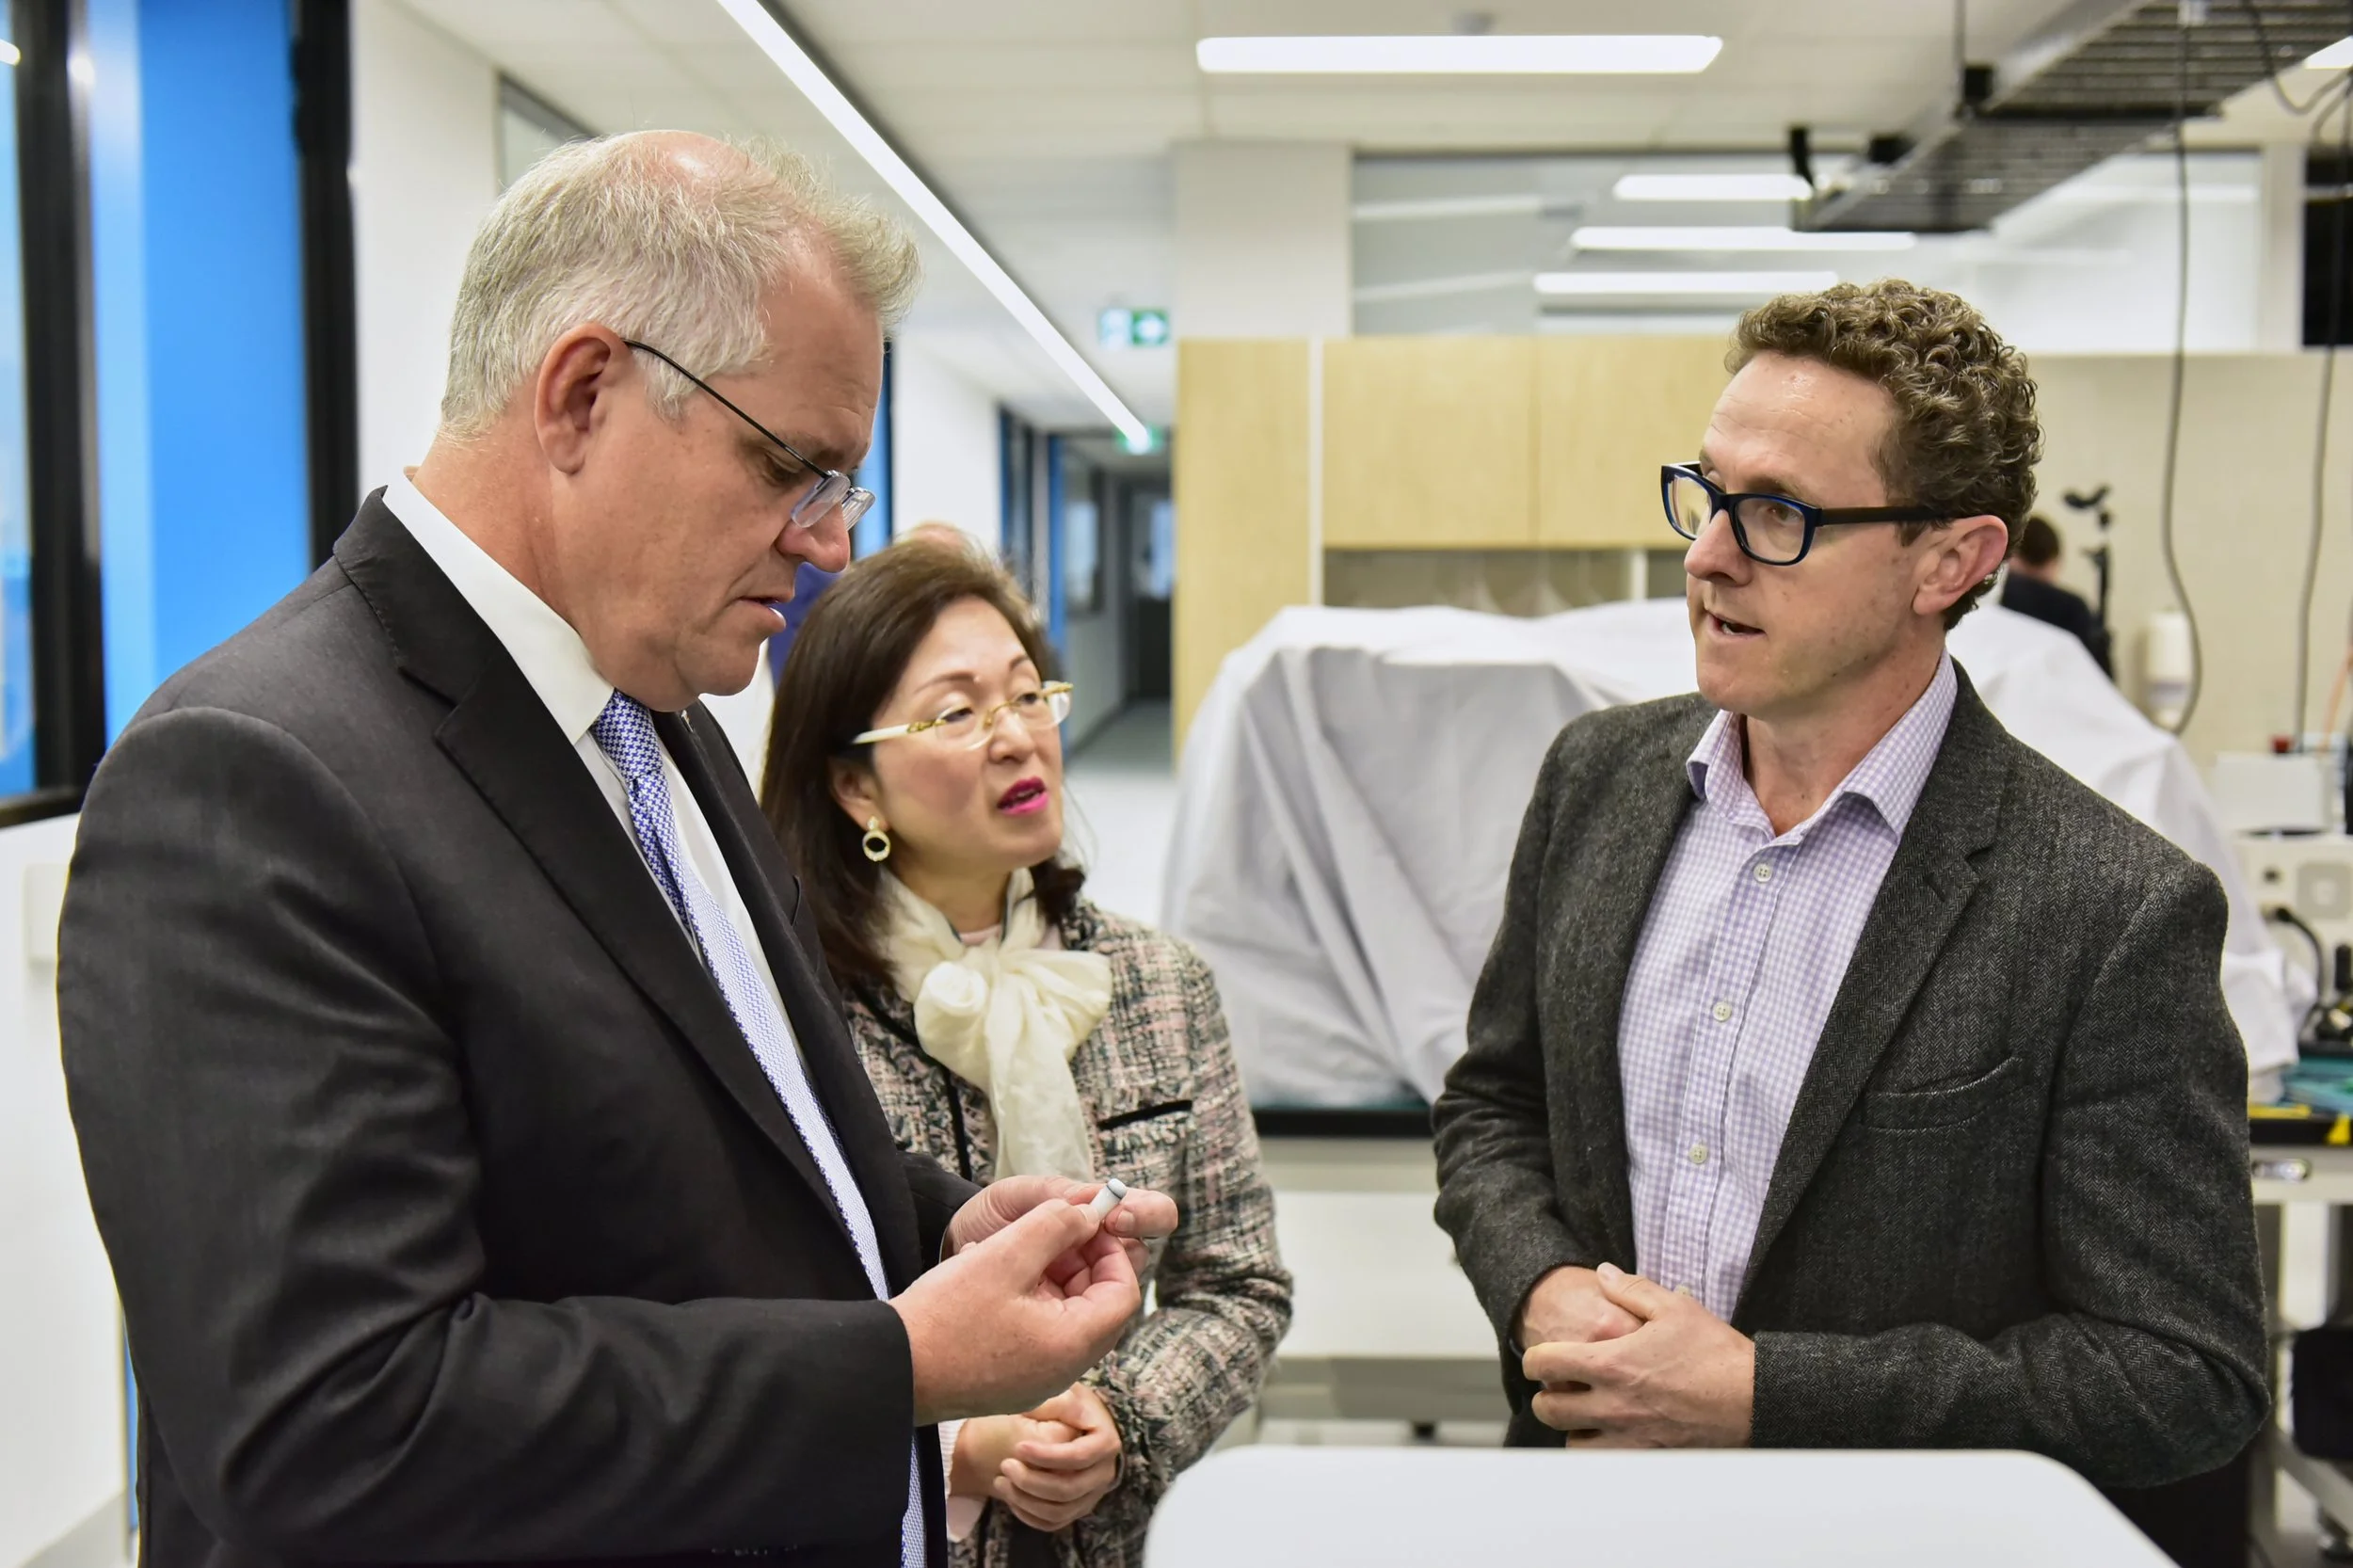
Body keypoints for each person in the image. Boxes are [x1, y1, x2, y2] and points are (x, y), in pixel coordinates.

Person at [58, 132, 1176, 1568]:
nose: (830, 544)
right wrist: (896, 1364)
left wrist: (950, 1225)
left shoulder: (656, 708)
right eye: (795, 468)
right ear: (584, 394)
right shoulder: (256, 775)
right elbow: (332, 1421)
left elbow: (723, 1140)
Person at [1433, 281, 2265, 1536]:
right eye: (1707, 492)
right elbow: (1495, 1106)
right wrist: (1541, 1287)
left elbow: (2180, 1372)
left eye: (1776, 515)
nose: (1707, 552)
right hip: (1582, 1516)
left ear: (1953, 559)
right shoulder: (1598, 783)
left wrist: (1769, 1392)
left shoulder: (2110, 910)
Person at [760, 541, 1289, 1568]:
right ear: (854, 786)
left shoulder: (1154, 982)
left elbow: (1242, 1282)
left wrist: (1121, 1421)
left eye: (1026, 694)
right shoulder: (787, 1011)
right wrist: (951, 1438)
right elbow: (747, 1319)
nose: (1017, 737)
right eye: (957, 712)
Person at [2000, 512, 2112, 675]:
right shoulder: (2072, 610)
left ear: (2011, 556)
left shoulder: (1989, 601)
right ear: (2054, 561)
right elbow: (2101, 681)